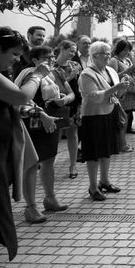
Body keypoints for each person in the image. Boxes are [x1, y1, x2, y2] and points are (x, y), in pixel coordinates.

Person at [0, 27, 51, 268]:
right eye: (15, 54)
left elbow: (11, 107)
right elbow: (19, 96)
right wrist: (37, 77)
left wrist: (32, 112)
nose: (17, 60)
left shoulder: (1, 71)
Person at [15, 46, 72, 223]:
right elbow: (22, 99)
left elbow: (59, 92)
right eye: (46, 57)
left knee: (49, 161)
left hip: (50, 122)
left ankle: (50, 198)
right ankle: (30, 208)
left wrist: (61, 97)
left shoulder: (50, 74)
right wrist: (41, 113)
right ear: (35, 60)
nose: (50, 60)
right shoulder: (29, 73)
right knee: (31, 165)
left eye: (52, 56)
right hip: (32, 124)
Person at [78, 41, 131, 201]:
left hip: (109, 113)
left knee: (107, 150)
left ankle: (105, 181)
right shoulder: (86, 74)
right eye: (104, 53)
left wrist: (124, 87)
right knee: (94, 153)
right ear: (94, 56)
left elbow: (118, 95)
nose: (108, 56)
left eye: (109, 52)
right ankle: (93, 187)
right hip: (93, 117)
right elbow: (93, 96)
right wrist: (116, 88)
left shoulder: (110, 71)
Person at [52, 40, 82, 179]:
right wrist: (70, 77)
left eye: (74, 51)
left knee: (73, 134)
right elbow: (55, 86)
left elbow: (79, 86)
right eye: (70, 51)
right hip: (57, 105)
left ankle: (73, 165)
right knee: (55, 136)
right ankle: (50, 164)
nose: (73, 54)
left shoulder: (75, 65)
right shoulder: (53, 66)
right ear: (61, 49)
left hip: (74, 104)